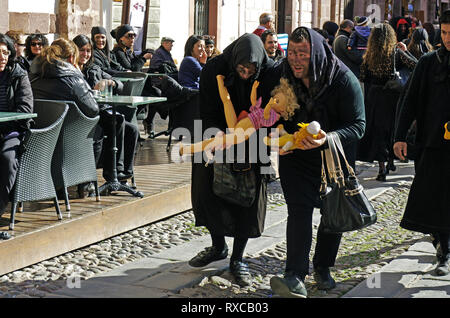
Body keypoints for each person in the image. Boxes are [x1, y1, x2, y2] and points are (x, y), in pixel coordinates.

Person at [267, 27, 365, 298]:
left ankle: (323, 266)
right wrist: (276, 136)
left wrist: (328, 138)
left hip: (333, 156)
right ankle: (294, 275)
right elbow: (266, 112)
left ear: (317, 55)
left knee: (331, 214)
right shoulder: (281, 73)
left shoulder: (343, 80)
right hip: (296, 157)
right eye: (292, 53)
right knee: (298, 211)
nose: (295, 59)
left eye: (303, 54)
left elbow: (359, 125)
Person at [188, 33, 274, 287]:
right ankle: (218, 245)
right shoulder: (215, 67)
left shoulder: (269, 72)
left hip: (253, 140)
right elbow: (207, 110)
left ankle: (238, 257)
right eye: (241, 69)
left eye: (251, 69)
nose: (246, 74)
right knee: (209, 193)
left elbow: (269, 111)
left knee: (245, 200)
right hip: (217, 136)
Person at [393, 10, 450, 276]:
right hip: (432, 144)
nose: (449, 39)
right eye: (446, 33)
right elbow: (410, 101)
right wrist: (400, 136)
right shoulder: (428, 62)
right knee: (435, 198)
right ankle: (443, 249)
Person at [72, 34, 138, 184]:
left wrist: (110, 82)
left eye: (88, 51)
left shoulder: (94, 68)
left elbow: (120, 83)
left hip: (100, 111)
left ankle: (124, 174)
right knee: (117, 120)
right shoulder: (72, 71)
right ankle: (114, 171)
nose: (85, 54)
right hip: (85, 115)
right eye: (82, 50)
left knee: (132, 130)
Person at [357, 23, 417, 181]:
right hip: (393, 96)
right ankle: (391, 161)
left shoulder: (369, 56)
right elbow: (416, 65)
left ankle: (382, 167)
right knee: (392, 129)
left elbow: (363, 77)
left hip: (375, 97)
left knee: (379, 132)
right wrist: (406, 51)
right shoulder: (396, 53)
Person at [0, 33, 33, 240]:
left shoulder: (18, 75)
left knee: (6, 158)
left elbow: (25, 110)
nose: (2, 57)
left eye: (5, 53)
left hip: (11, 131)